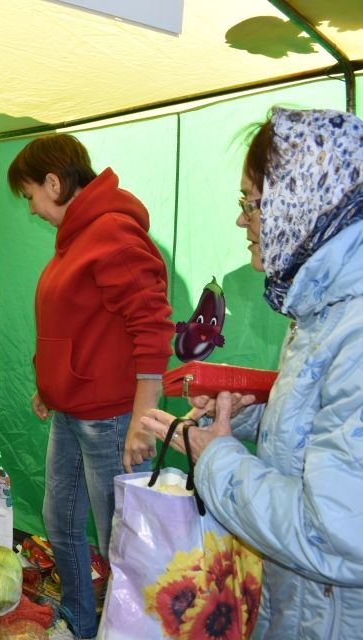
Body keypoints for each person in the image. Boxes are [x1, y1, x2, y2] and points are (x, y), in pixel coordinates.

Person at [142, 107, 363, 639]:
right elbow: (325, 446)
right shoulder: (322, 308)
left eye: (254, 203)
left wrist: (215, 459)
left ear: (305, 202)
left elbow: (333, 537)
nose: (244, 220)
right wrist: (243, 417)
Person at [7, 133, 174, 639]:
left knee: (120, 543)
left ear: (54, 183)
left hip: (112, 420)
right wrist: (51, 385)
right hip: (73, 413)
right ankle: (82, 621)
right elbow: (75, 322)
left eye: (31, 195)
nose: (32, 209)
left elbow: (153, 329)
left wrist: (142, 423)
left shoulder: (112, 233)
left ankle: (129, 631)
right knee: (61, 523)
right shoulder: (78, 235)